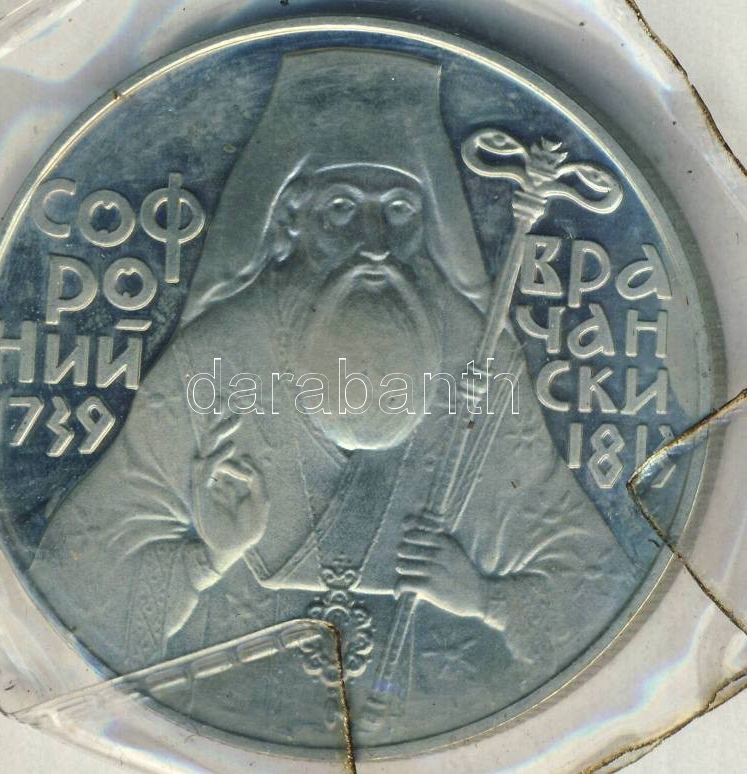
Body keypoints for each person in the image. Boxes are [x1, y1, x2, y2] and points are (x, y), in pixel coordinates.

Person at [31, 49, 637, 746]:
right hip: (222, 709)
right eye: (343, 210)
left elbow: (587, 580)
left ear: (426, 223)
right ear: (292, 220)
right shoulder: (216, 357)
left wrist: (485, 599)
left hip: (444, 718)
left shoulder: (479, 361)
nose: (374, 241)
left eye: (399, 210)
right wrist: (207, 559)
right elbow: (86, 569)